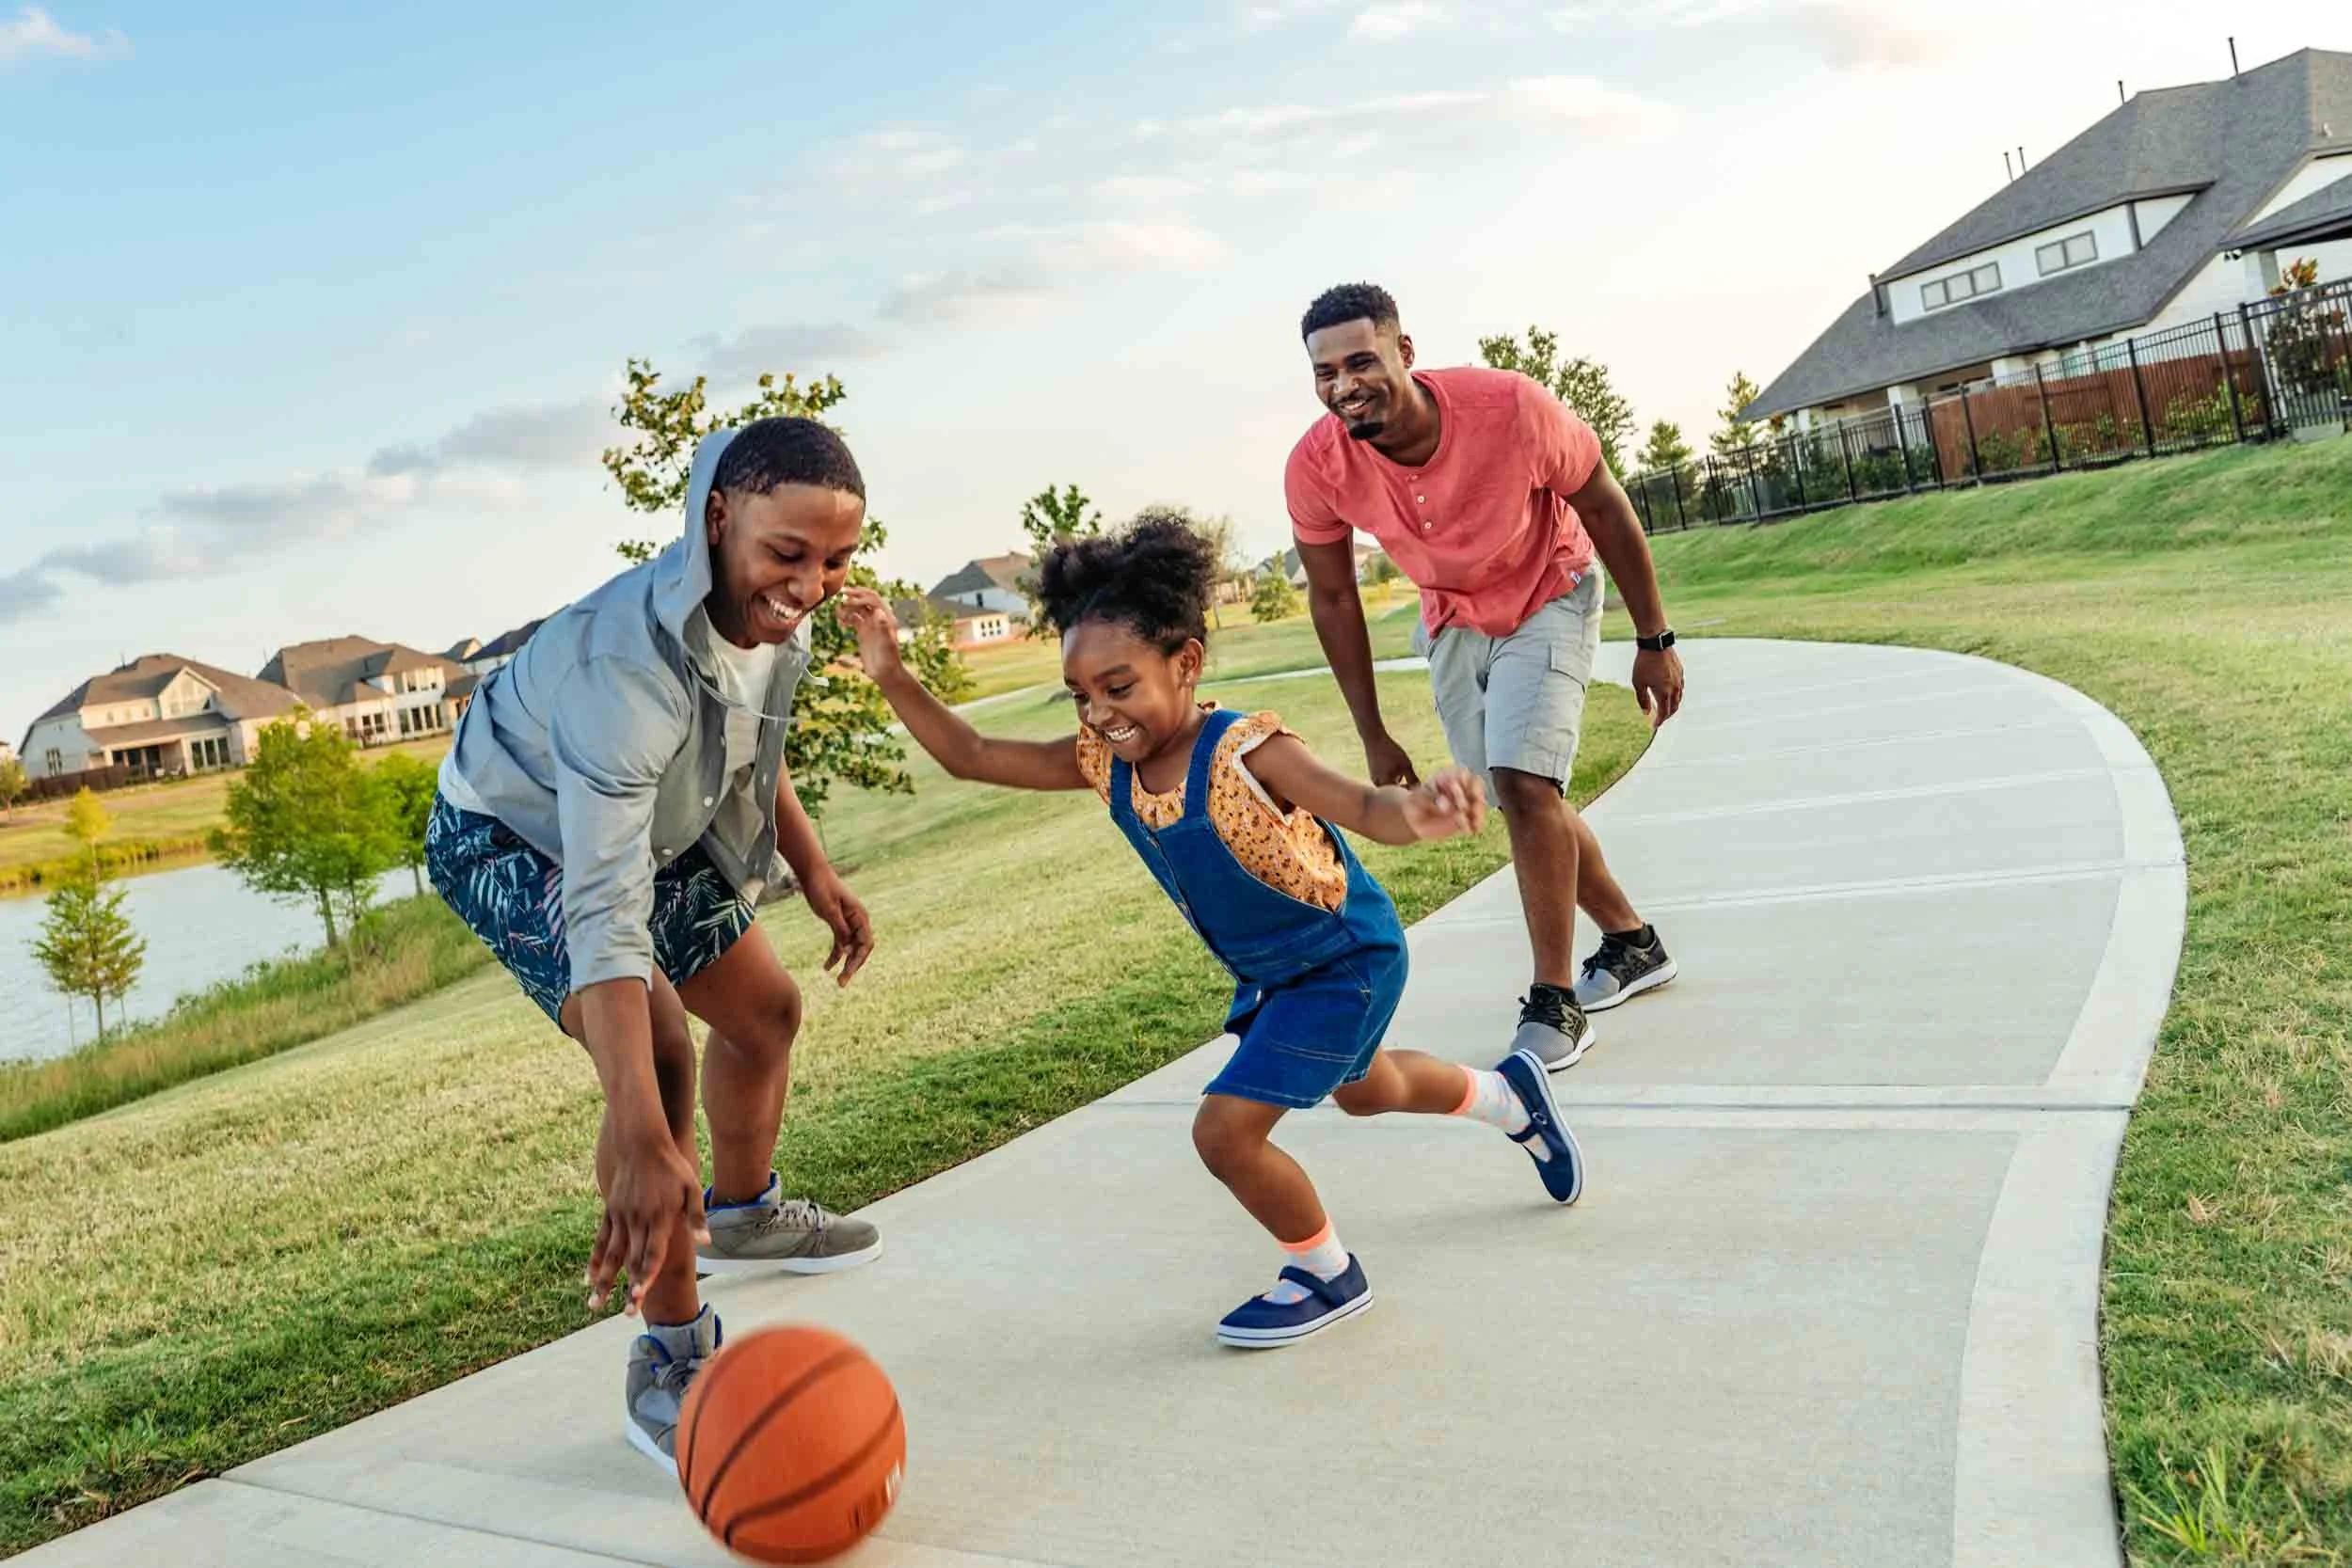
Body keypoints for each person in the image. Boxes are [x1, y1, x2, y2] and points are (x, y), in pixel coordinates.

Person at [838, 520, 1585, 1351]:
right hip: (1278, 973)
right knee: (1365, 1088)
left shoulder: (1246, 748)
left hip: (1344, 959)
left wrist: (1420, 810)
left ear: (1185, 663)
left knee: (1224, 1130)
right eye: (1080, 693)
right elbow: (972, 753)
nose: (1099, 713)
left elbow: (1367, 809)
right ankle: (1512, 1096)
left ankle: (1326, 1271)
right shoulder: (1104, 760)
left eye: (1119, 686)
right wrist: (890, 670)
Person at [427, 417, 884, 1467]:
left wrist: (813, 872)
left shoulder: (777, 620)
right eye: (787, 553)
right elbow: (602, 904)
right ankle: (669, 1350)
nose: (811, 583)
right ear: (717, 518)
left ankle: (743, 1211)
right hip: (510, 827)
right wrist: (639, 1135)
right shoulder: (619, 668)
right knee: (662, 1054)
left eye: (835, 559)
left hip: (641, 813)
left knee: (766, 1011)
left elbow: (749, 746)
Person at [1286, 282, 1688, 1071]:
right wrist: (1372, 731)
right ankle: (1634, 943)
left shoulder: (1508, 406)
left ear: (1405, 352)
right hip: (1455, 615)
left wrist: (1654, 638)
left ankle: (1555, 1000)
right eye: (1325, 372)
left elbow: (1605, 506)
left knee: (1524, 781)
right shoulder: (1317, 464)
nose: (1344, 385)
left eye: (1361, 360)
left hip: (1551, 586)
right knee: (1517, 794)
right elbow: (1333, 596)